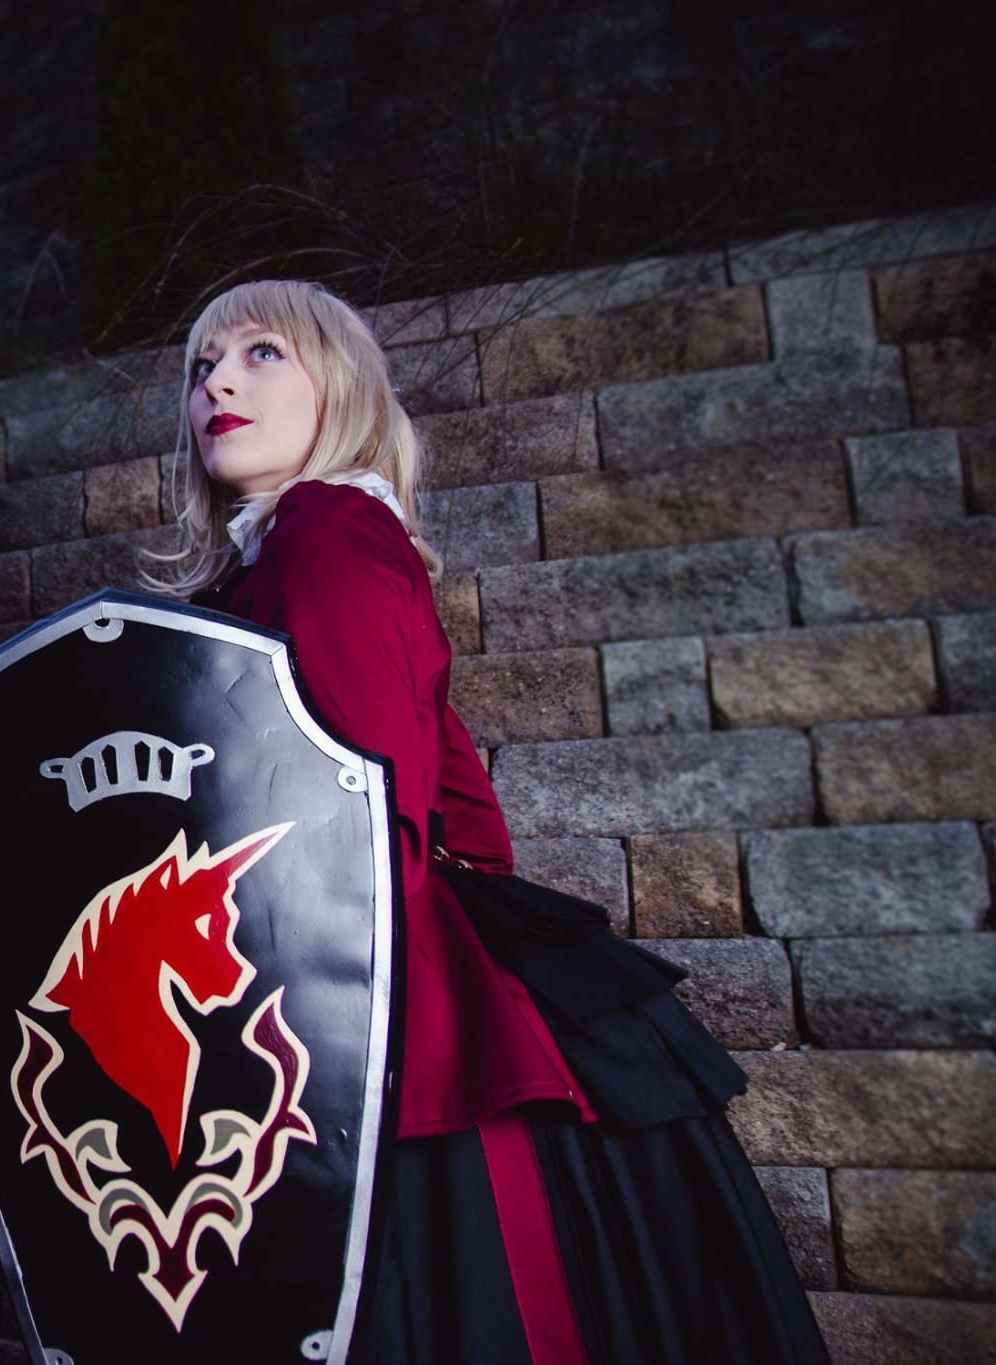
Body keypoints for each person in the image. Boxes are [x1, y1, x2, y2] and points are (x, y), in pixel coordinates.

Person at [141, 279, 829, 1364]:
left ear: (340, 387)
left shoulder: (323, 532)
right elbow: (460, 800)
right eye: (201, 367)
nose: (217, 383)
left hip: (356, 976)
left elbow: (364, 806)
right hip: (384, 950)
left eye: (261, 353)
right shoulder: (317, 542)